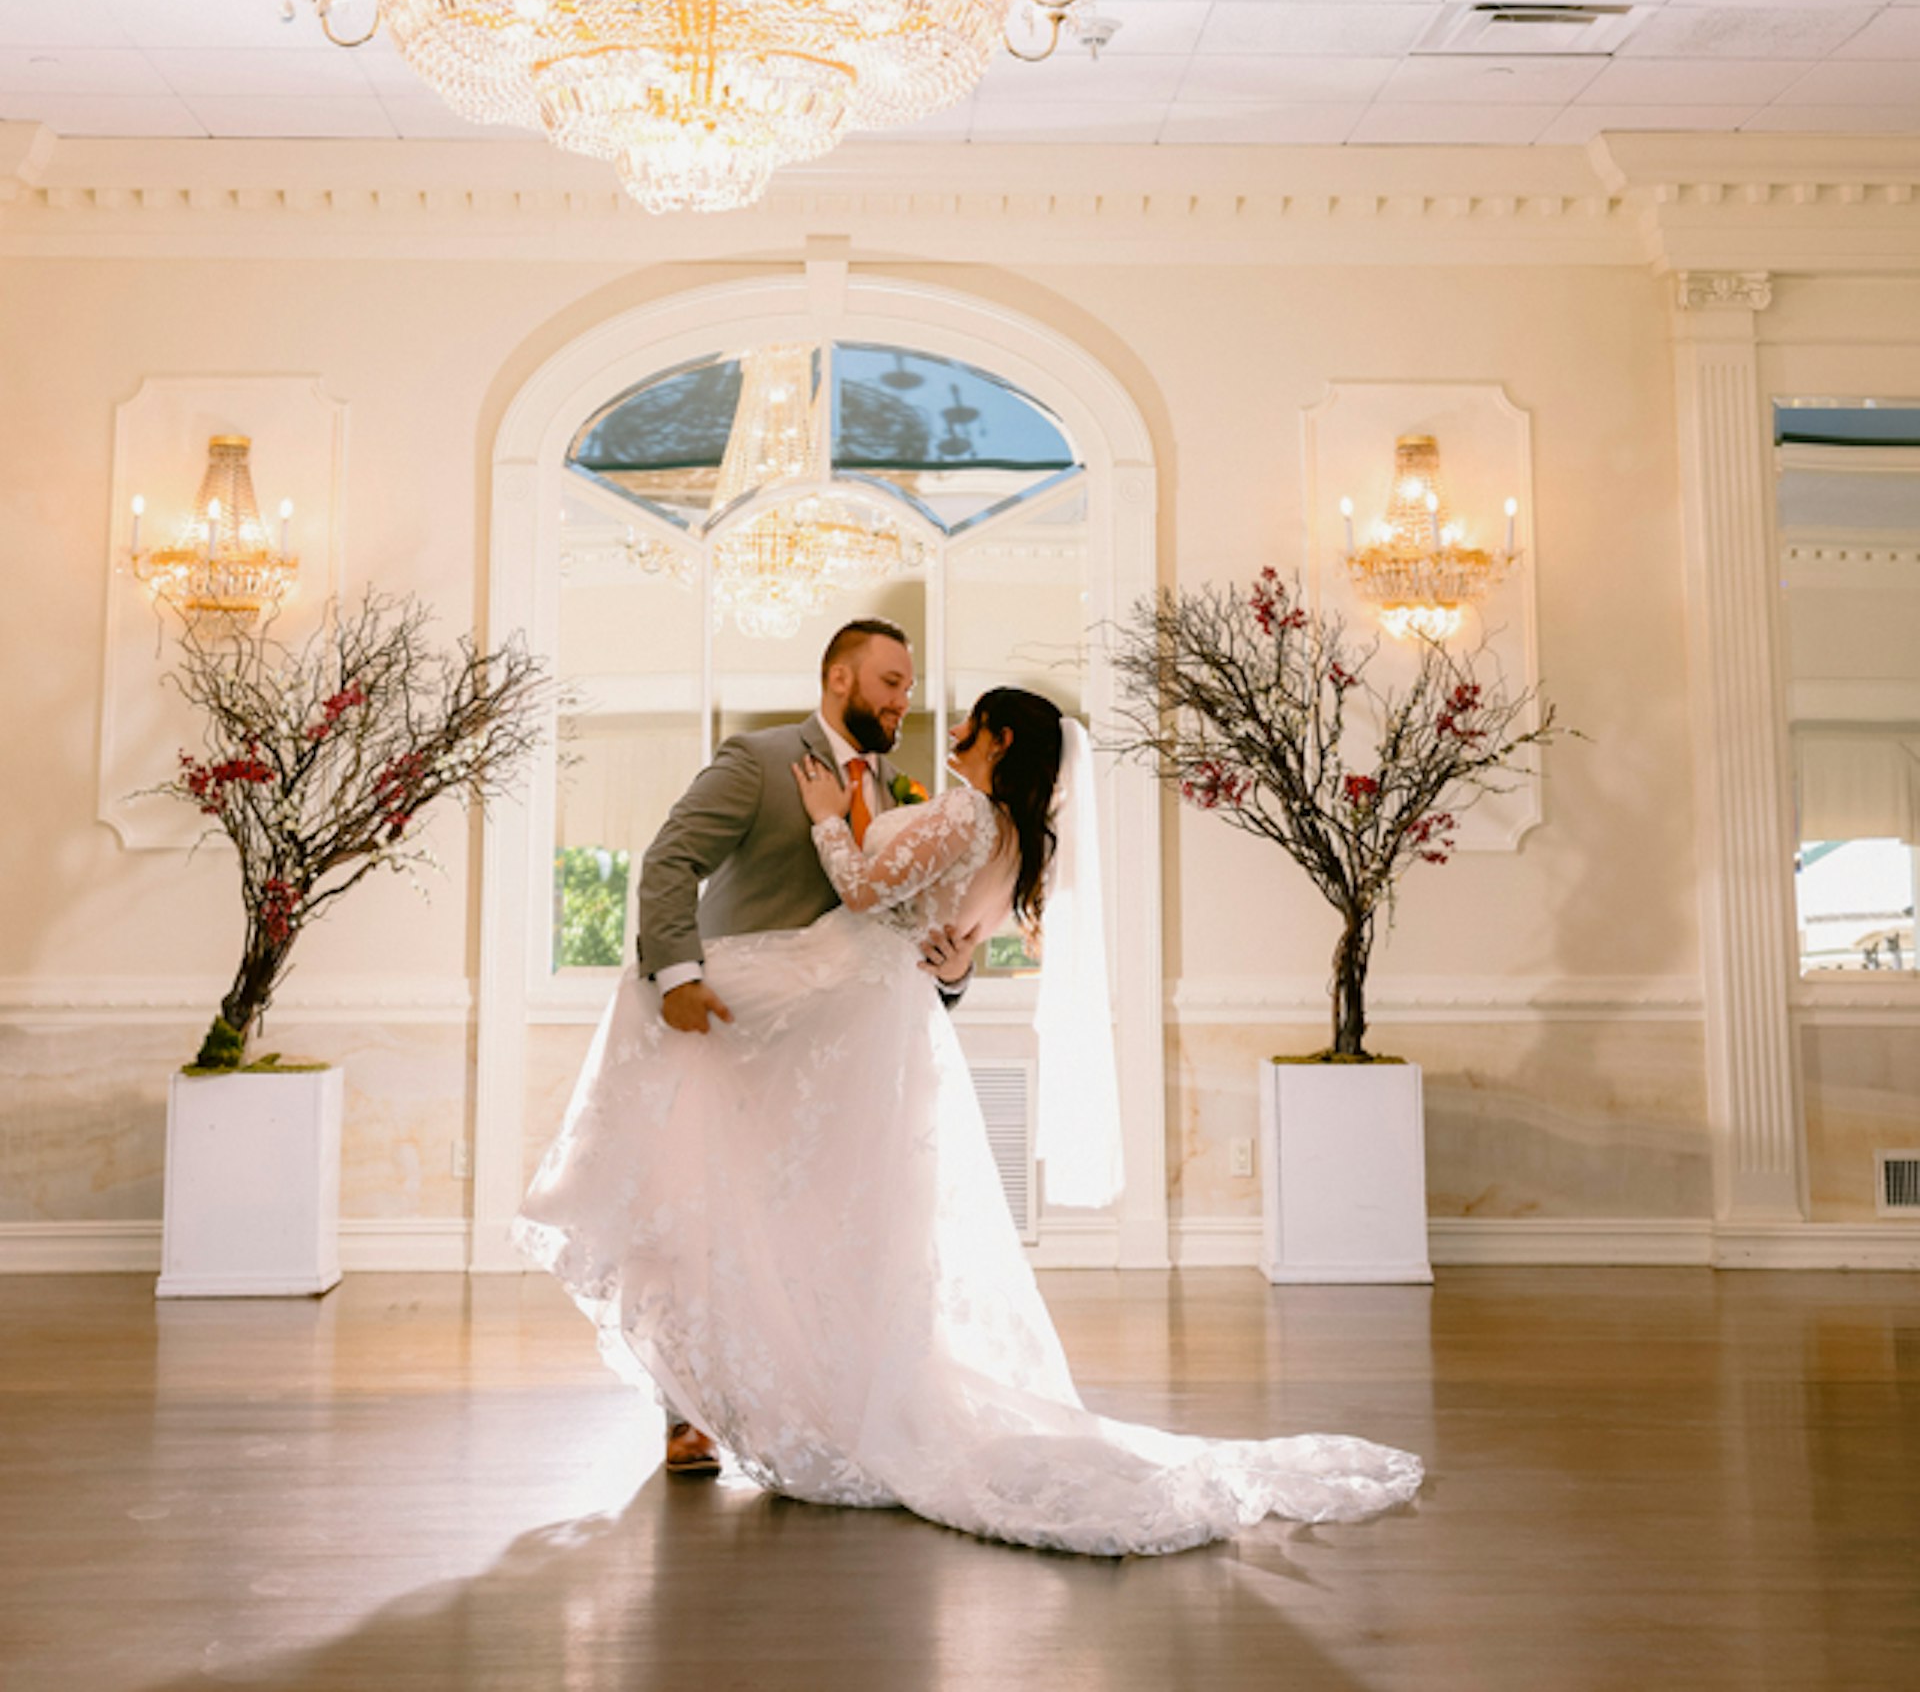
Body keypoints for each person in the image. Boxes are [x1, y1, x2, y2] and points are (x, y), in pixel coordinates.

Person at [515, 673, 1422, 1555]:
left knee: (669, 1038)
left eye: (974, 718)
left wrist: (833, 817)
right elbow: (948, 942)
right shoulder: (1026, 845)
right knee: (845, 1207)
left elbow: (868, 892)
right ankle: (761, 1380)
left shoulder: (965, 811)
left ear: (1002, 740)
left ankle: (733, 1349)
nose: (949, 722)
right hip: (886, 1009)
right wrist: (945, 959)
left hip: (845, 986)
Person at [626, 618, 974, 1476]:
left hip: (835, 1061)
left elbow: (899, 930)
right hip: (733, 1036)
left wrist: (956, 975)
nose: (905, 700)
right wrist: (675, 978)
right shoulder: (757, 759)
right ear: (838, 680)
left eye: (909, 684)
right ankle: (689, 1414)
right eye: (891, 682)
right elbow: (669, 860)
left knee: (815, 1231)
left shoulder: (901, 793)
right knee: (706, 1222)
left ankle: (812, 1405)